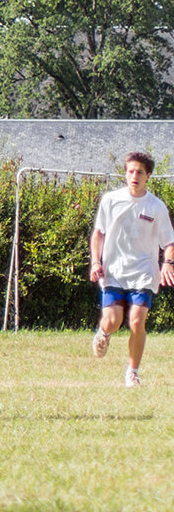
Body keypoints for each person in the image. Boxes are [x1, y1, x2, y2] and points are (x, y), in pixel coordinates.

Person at [89, 152, 174, 387]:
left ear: (148, 176)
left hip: (144, 273)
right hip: (114, 271)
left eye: (139, 172)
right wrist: (96, 262)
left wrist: (167, 263)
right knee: (113, 320)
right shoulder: (111, 200)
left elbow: (169, 242)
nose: (134, 176)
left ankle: (132, 372)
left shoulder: (156, 206)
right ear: (125, 173)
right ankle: (103, 333)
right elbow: (98, 234)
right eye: (130, 171)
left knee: (137, 322)